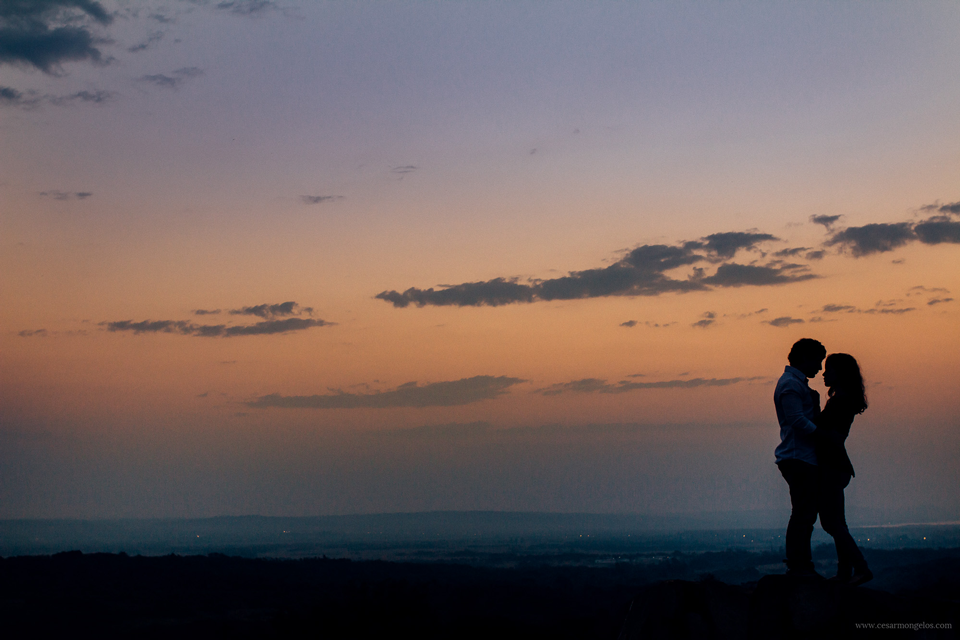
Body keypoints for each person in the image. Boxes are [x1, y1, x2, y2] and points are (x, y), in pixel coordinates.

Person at [814, 353, 872, 586]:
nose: (824, 373)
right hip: (836, 467)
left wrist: (810, 427)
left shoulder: (840, 401)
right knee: (838, 522)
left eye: (829, 369)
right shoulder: (842, 398)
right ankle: (845, 572)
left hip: (832, 467)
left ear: (840, 373)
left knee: (831, 523)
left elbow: (836, 437)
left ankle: (860, 568)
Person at [774, 338, 826, 577]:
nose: (820, 367)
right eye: (818, 361)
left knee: (805, 512)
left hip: (801, 456)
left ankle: (800, 562)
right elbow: (796, 420)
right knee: (803, 513)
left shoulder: (795, 384)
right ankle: (798, 564)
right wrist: (823, 436)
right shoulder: (790, 385)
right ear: (804, 358)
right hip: (798, 457)